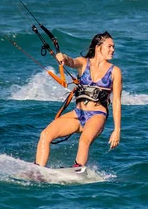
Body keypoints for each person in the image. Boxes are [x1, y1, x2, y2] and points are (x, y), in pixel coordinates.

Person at [34, 31, 122, 167]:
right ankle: (37, 170)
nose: (113, 50)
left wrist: (116, 130)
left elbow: (116, 101)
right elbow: (71, 61)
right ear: (99, 47)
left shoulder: (114, 71)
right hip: (78, 114)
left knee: (84, 140)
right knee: (45, 134)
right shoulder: (83, 63)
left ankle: (77, 169)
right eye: (109, 46)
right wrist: (62, 56)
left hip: (97, 115)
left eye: (113, 47)